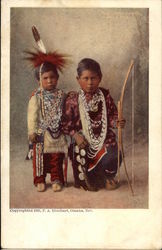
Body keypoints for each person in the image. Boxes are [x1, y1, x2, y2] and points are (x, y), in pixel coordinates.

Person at [62, 58, 125, 191]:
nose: (90, 82)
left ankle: (108, 176)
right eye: (85, 78)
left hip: (104, 138)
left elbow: (112, 115)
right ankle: (94, 176)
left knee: (115, 154)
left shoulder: (105, 95)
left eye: (93, 78)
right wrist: (76, 136)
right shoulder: (73, 100)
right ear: (78, 79)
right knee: (90, 182)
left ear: (100, 78)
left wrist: (116, 122)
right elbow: (66, 124)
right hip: (83, 141)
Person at [26, 51, 68, 192]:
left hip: (57, 133)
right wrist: (32, 131)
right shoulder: (36, 97)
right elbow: (32, 115)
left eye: (52, 77)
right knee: (40, 159)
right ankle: (40, 180)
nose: (49, 81)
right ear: (39, 80)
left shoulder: (62, 95)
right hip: (41, 134)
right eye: (45, 78)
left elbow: (67, 111)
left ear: (57, 78)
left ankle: (57, 179)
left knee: (57, 157)